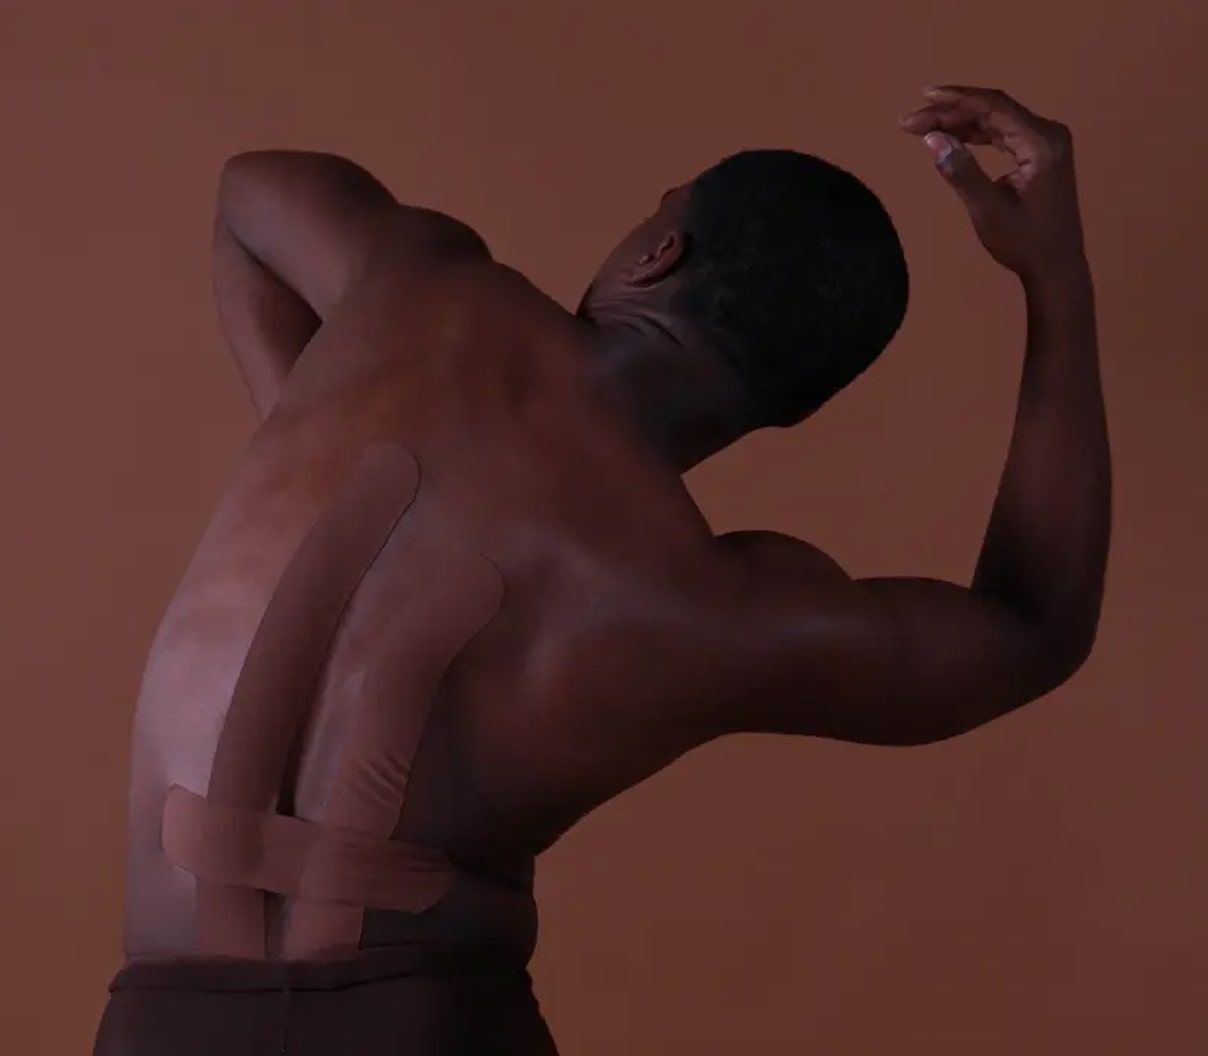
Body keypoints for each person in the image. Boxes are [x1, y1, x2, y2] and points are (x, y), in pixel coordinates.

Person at [93, 85, 1111, 1055]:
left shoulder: (411, 284)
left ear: (657, 251)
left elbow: (251, 188)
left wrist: (310, 420)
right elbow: (1029, 630)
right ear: (788, 409)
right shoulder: (712, 604)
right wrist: (1053, 279)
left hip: (164, 1027)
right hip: (428, 1028)